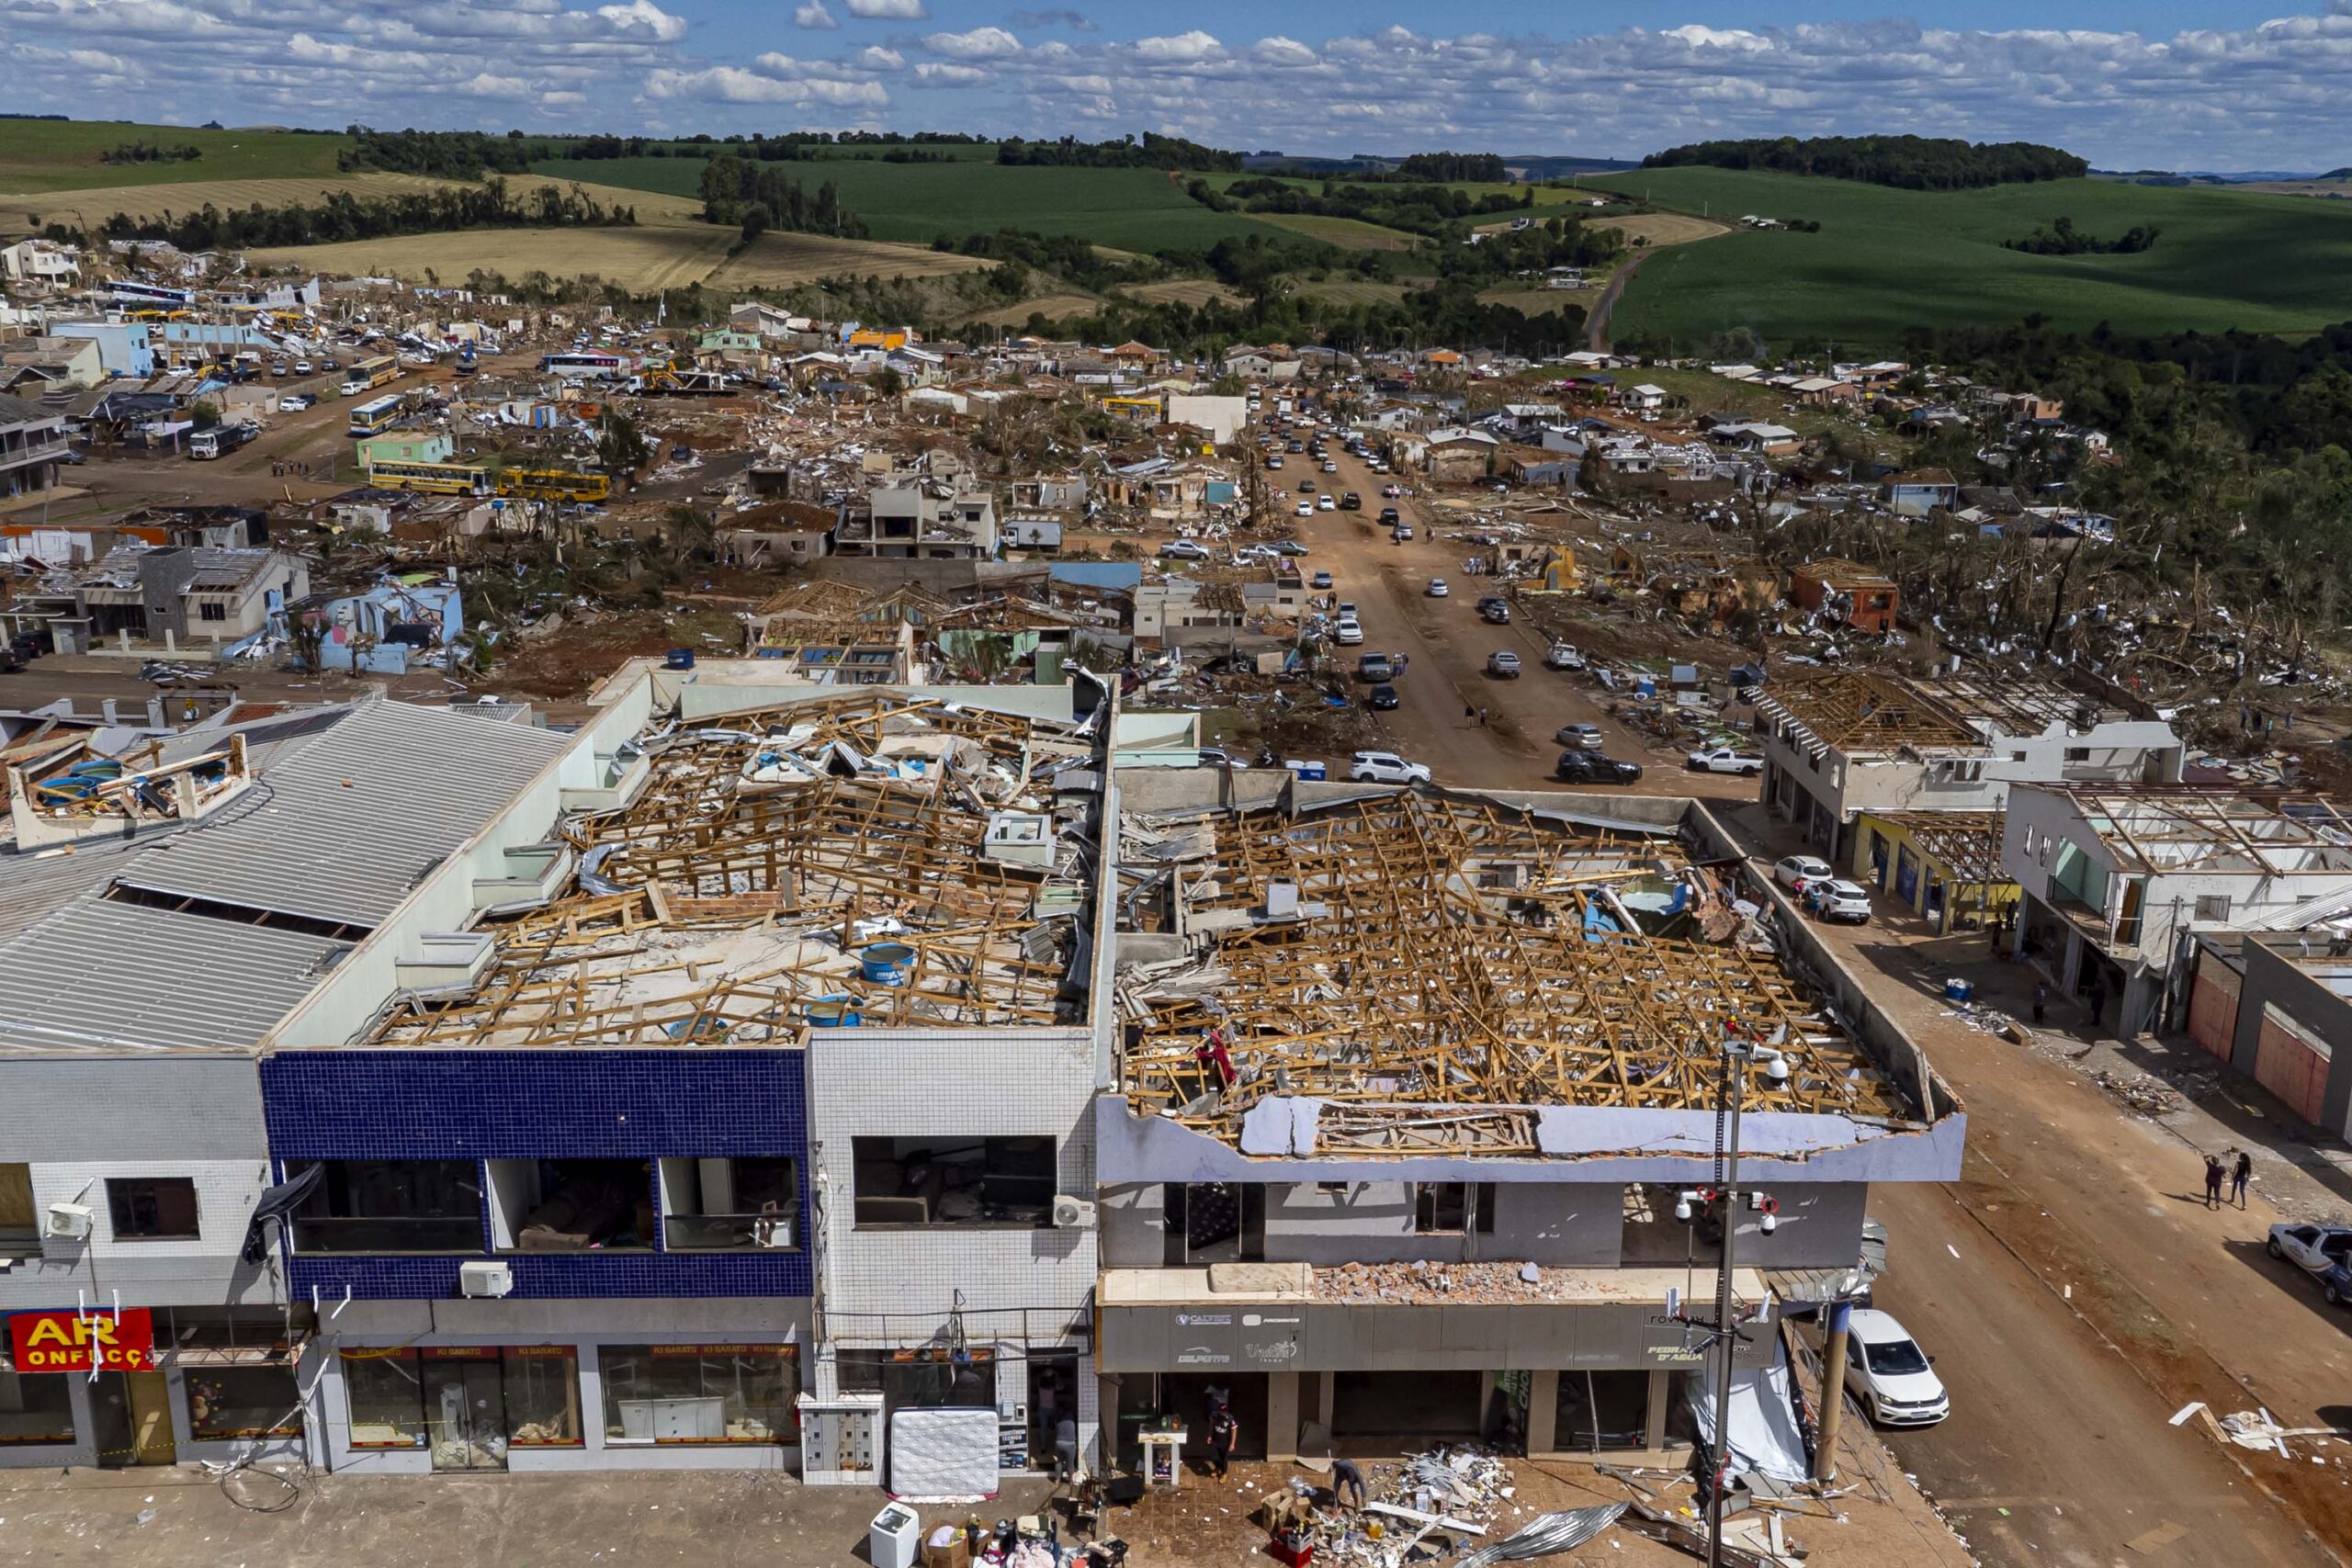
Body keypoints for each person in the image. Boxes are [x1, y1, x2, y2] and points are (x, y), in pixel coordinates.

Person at [1206, 1404, 1237, 1479]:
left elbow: (1234, 1430)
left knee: (1224, 1458)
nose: (1224, 1413)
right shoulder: (1214, 1416)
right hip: (1216, 1440)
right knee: (1215, 1456)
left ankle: (1224, 1473)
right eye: (1222, 1411)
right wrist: (1210, 1436)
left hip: (1225, 1443)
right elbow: (1211, 1425)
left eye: (1225, 1411)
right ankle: (1218, 1467)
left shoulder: (1230, 1419)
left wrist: (1232, 1443)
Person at [1053, 1414, 1080, 1484]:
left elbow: (1055, 1430)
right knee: (1070, 1463)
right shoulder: (1072, 1419)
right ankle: (1071, 1480)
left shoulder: (1058, 1419)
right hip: (1070, 1444)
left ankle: (1057, 1480)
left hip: (1059, 1443)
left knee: (1059, 1462)